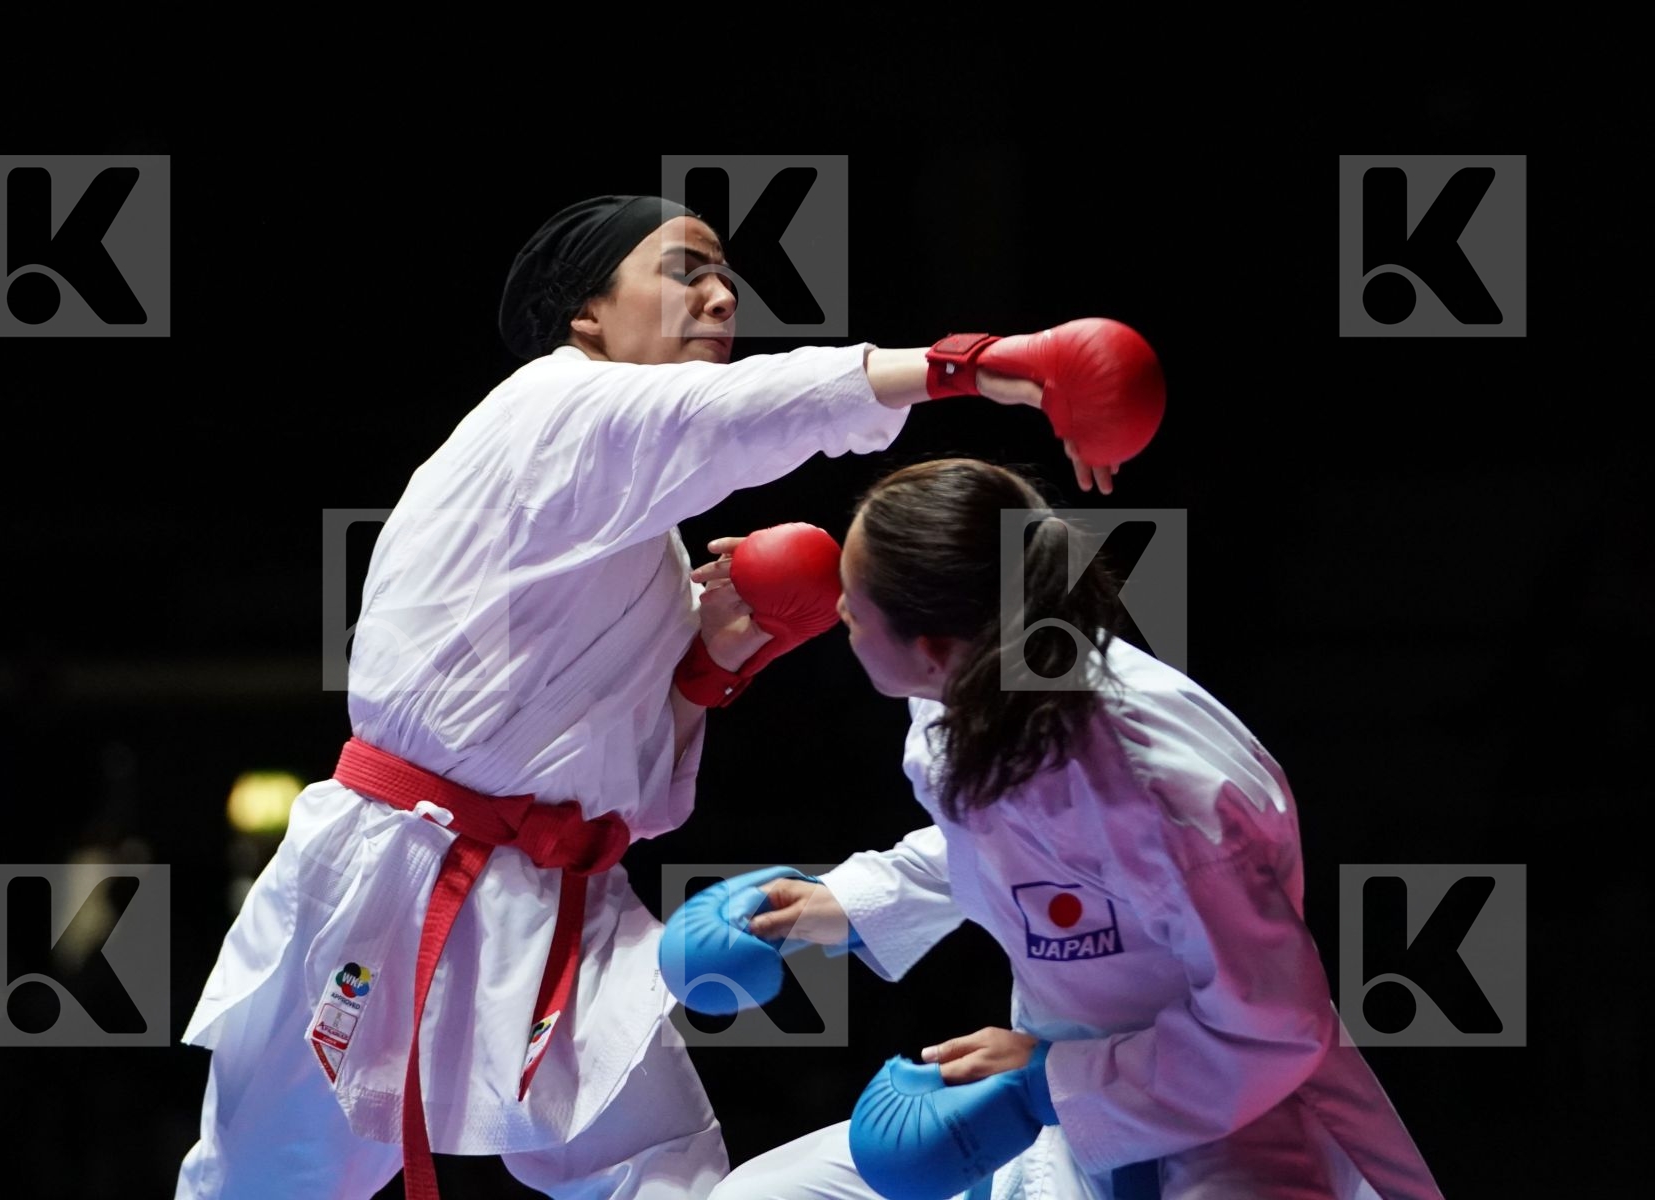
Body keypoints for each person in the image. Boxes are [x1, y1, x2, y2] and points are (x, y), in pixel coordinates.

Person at [173, 193, 1143, 1199]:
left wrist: (707, 668)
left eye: (727, 278)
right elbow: (754, 409)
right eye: (685, 271)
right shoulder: (554, 407)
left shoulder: (634, 530)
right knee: (262, 1183)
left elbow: (626, 779)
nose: (721, 295)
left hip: (556, 891)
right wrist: (981, 367)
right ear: (589, 313)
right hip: (396, 870)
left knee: (667, 1178)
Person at [700, 458, 1447, 1199]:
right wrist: (842, 904)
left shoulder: (1164, 798)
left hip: (1236, 1117)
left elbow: (1274, 1028)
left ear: (931, 648)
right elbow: (1003, 851)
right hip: (1061, 1096)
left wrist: (1045, 1083)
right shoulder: (967, 688)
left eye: (852, 607)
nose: (837, 616)